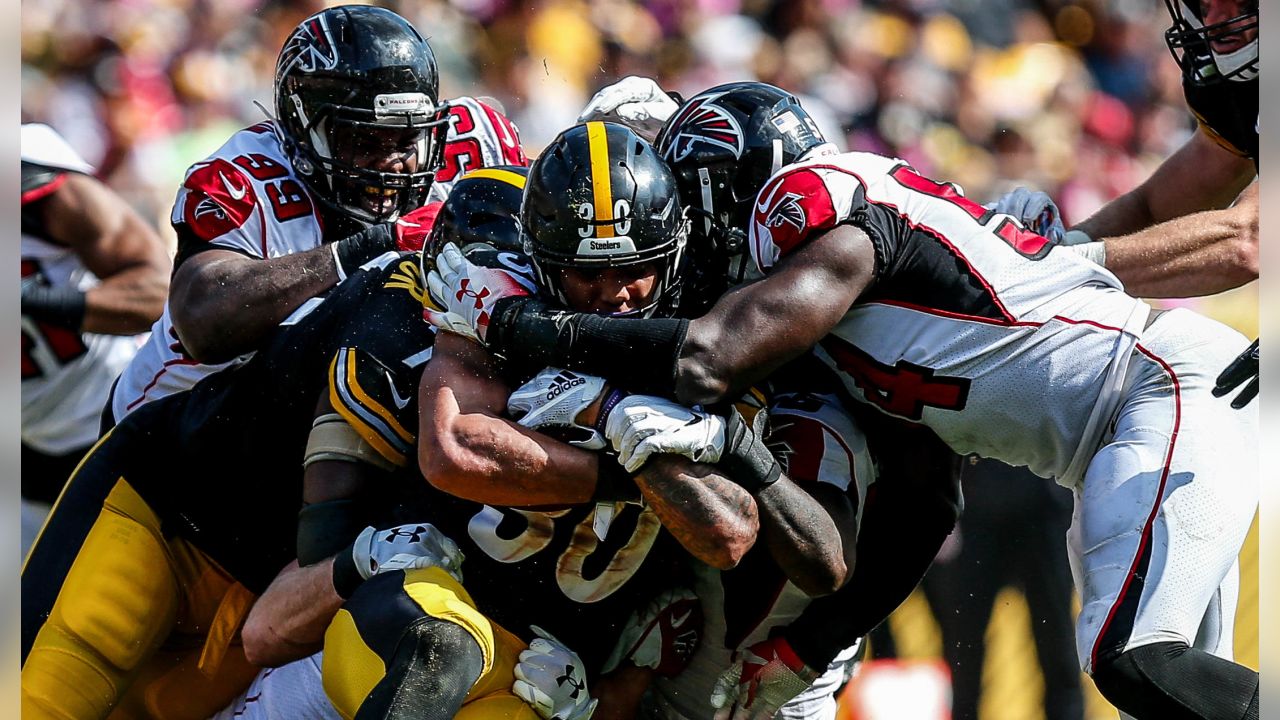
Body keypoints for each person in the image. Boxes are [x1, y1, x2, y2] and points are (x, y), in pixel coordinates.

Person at [425, 82, 1259, 720]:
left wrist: (518, 321)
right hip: (1123, 422)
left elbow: (706, 360)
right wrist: (808, 643)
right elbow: (928, 497)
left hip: (1158, 392)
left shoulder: (824, 213)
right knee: (1168, 692)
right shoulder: (849, 328)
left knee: (1134, 660)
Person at [107, 4, 527, 424]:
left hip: (328, 409)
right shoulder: (247, 178)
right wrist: (378, 243)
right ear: (301, 128)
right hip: (177, 433)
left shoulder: (471, 142)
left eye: (405, 138)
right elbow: (202, 320)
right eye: (365, 140)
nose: (393, 162)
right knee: (377, 302)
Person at [991, 0, 1258, 407]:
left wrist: (1051, 271)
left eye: (1239, 3)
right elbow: (1157, 206)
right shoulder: (1235, 85)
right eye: (1205, 4)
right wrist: (1057, 248)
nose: (1218, 21)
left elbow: (1250, 241)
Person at [20, 123, 170, 555]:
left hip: (119, 419)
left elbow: (161, 292)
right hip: (25, 460)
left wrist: (34, 300)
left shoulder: (31, 178)